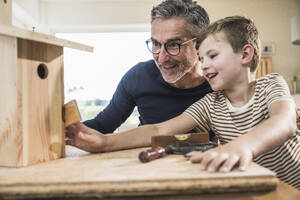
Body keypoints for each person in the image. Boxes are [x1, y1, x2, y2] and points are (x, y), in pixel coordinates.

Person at [67, 16, 300, 190]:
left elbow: (284, 121)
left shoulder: (271, 84)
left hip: (293, 186)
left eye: (213, 55)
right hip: (256, 187)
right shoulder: (209, 104)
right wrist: (105, 142)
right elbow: (159, 129)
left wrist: (244, 145)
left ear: (245, 54)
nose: (204, 64)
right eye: (201, 58)